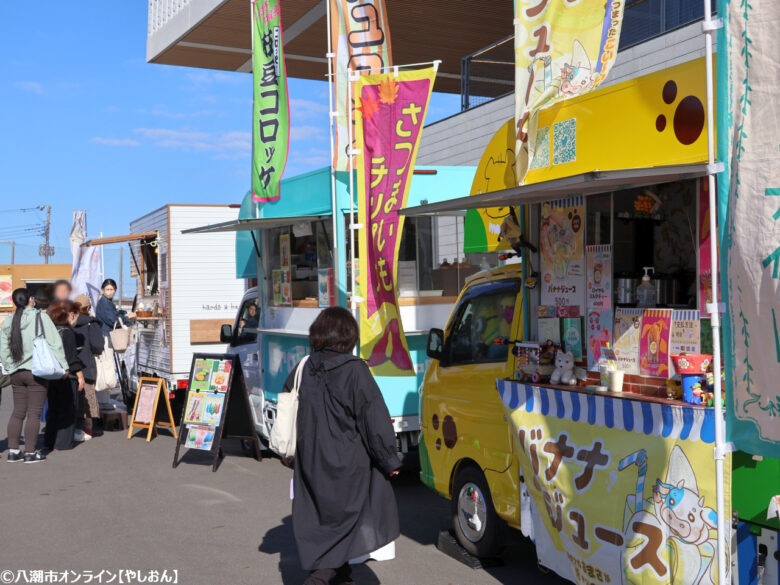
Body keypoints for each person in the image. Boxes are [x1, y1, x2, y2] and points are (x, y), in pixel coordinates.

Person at [284, 307, 401, 585]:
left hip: (311, 461)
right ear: (348, 336)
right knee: (350, 521)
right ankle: (320, 578)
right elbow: (373, 418)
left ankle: (343, 576)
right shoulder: (355, 370)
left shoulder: (304, 367)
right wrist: (389, 460)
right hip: (348, 464)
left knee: (326, 523)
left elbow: (288, 406)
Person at [0, 288, 68, 463]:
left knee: (18, 412)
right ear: (30, 299)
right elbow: (55, 344)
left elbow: (3, 348)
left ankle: (14, 451)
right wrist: (64, 366)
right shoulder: (41, 318)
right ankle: (30, 452)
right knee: (34, 413)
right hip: (36, 372)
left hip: (16, 373)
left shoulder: (9, 321)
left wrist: (10, 365)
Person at [45, 300, 85, 450]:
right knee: (67, 409)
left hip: (50, 375)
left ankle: (50, 441)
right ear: (69, 314)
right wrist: (80, 375)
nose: (76, 318)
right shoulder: (67, 333)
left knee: (53, 409)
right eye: (75, 315)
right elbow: (72, 359)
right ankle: (62, 443)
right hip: (66, 376)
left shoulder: (51, 330)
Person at [73, 294, 105, 437]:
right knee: (88, 398)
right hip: (87, 366)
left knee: (74, 399)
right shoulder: (91, 324)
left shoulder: (68, 323)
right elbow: (97, 347)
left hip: (71, 366)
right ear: (87, 308)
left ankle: (74, 427)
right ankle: (87, 429)